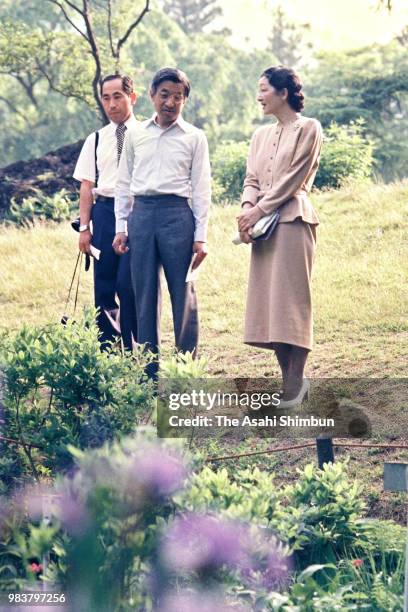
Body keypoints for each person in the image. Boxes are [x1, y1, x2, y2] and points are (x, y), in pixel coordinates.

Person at [113, 67, 211, 378]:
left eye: (178, 97)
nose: (170, 102)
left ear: (185, 101)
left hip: (177, 216)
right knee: (143, 293)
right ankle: (149, 372)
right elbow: (123, 182)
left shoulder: (195, 137)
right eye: (164, 95)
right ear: (152, 95)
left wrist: (201, 235)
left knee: (183, 292)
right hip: (141, 215)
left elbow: (201, 189)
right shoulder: (135, 134)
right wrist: (121, 227)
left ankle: (186, 369)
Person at [237, 65, 323, 408]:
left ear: (283, 92)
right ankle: (290, 387)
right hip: (263, 230)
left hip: (293, 222)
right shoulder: (260, 136)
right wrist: (247, 209)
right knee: (270, 307)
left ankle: (294, 386)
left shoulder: (309, 129)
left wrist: (257, 211)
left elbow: (293, 180)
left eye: (263, 89)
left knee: (292, 305)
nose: (259, 96)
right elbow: (251, 179)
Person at [73, 74, 138, 350]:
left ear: (132, 97)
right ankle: (109, 351)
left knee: (130, 283)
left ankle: (135, 346)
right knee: (105, 283)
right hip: (105, 212)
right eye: (106, 97)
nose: (111, 104)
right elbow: (87, 186)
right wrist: (85, 229)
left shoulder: (147, 134)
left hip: (138, 214)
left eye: (118, 97)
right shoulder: (96, 139)